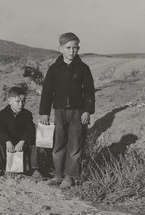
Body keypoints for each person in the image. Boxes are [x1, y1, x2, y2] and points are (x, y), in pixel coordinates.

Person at [39, 32, 95, 189]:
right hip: (59, 112)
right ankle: (58, 174)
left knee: (75, 145)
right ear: (60, 48)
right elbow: (47, 92)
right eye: (68, 48)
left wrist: (87, 111)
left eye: (75, 48)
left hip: (77, 112)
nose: (72, 51)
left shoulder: (83, 68)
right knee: (58, 144)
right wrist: (44, 112)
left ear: (78, 49)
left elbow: (89, 91)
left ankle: (70, 177)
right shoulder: (54, 69)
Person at [0, 86, 41, 178]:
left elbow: (30, 129)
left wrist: (22, 141)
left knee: (34, 143)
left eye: (23, 101)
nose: (21, 104)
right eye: (17, 101)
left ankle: (34, 169)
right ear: (9, 101)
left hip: (23, 143)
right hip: (9, 143)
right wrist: (7, 141)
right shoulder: (2, 114)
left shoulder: (27, 114)